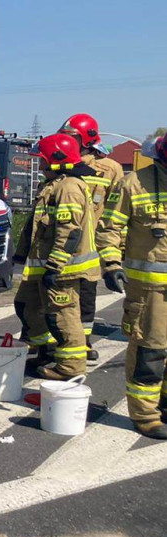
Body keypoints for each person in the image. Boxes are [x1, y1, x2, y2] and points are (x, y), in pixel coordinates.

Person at [94, 134, 167, 439]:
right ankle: (146, 414)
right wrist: (111, 265)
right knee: (151, 352)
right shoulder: (134, 183)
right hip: (150, 292)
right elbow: (109, 227)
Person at [12, 133, 101, 380]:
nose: (38, 164)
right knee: (27, 305)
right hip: (44, 265)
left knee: (62, 316)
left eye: (42, 160)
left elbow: (69, 231)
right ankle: (46, 352)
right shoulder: (54, 184)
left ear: (57, 160)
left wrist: (55, 266)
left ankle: (70, 368)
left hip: (63, 269)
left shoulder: (69, 188)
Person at [60, 114, 125, 362]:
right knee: (58, 296)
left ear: (86, 139)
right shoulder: (63, 162)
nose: (67, 140)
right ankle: (59, 340)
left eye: (72, 136)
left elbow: (116, 212)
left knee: (86, 295)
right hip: (62, 243)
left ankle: (83, 342)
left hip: (92, 247)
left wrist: (116, 253)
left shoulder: (111, 169)